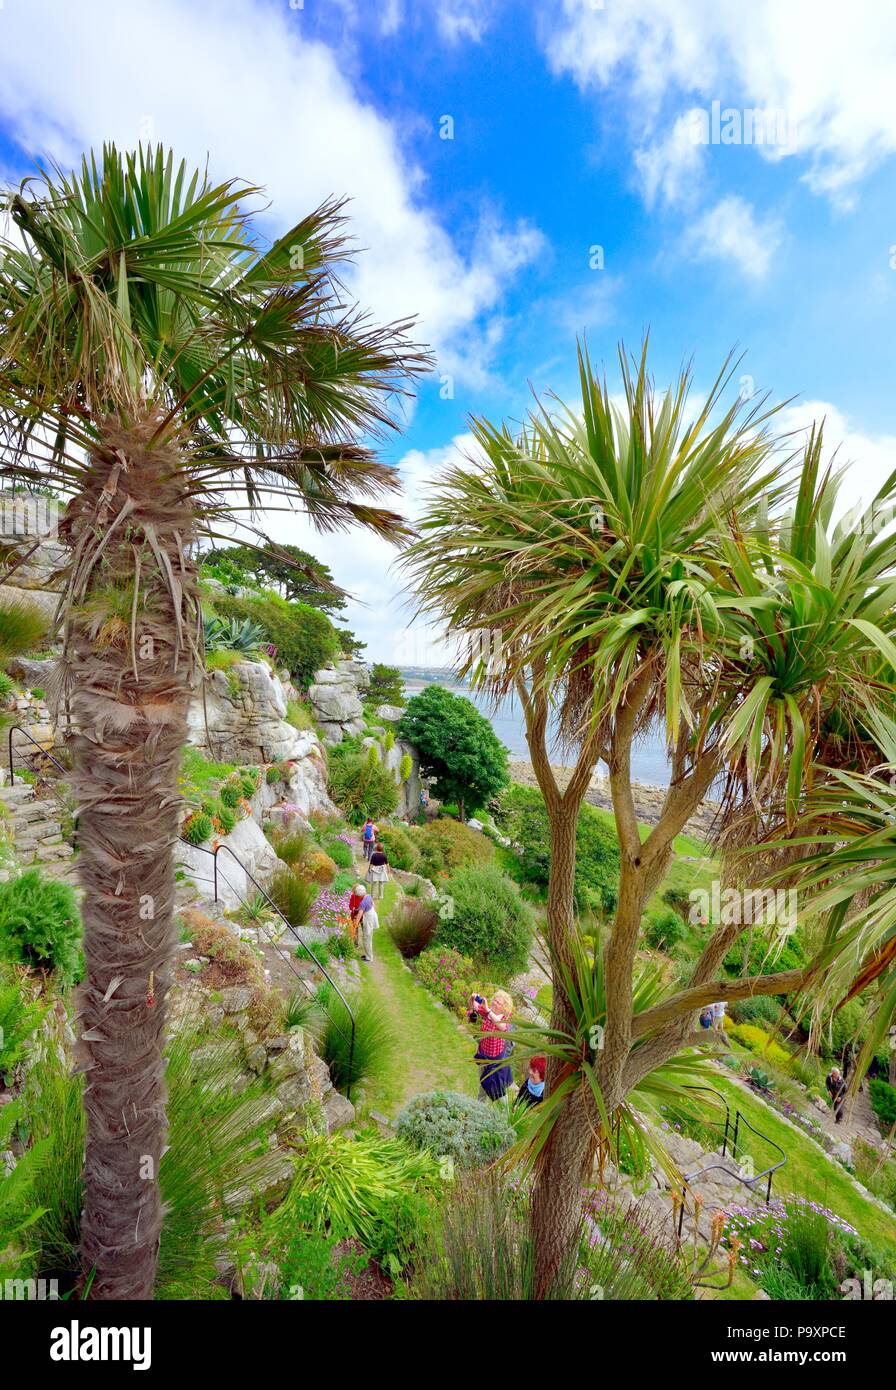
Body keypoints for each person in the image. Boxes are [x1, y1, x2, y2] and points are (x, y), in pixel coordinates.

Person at [470, 990, 514, 1101]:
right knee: (483, 1085)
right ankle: (479, 1108)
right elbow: (474, 1006)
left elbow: (502, 1027)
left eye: (498, 1003)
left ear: (504, 1007)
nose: (494, 1003)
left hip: (495, 1062)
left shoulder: (504, 1019)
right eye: (494, 1000)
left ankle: (506, 1114)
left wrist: (488, 1010)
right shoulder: (488, 1013)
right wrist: (473, 998)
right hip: (483, 1056)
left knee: (499, 1092)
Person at [358, 891, 379, 962]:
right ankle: (368, 954)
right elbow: (373, 905)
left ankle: (369, 957)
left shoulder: (362, 903)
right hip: (372, 917)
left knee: (367, 938)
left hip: (368, 920)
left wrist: (355, 923)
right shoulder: (368, 896)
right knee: (368, 938)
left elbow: (359, 915)